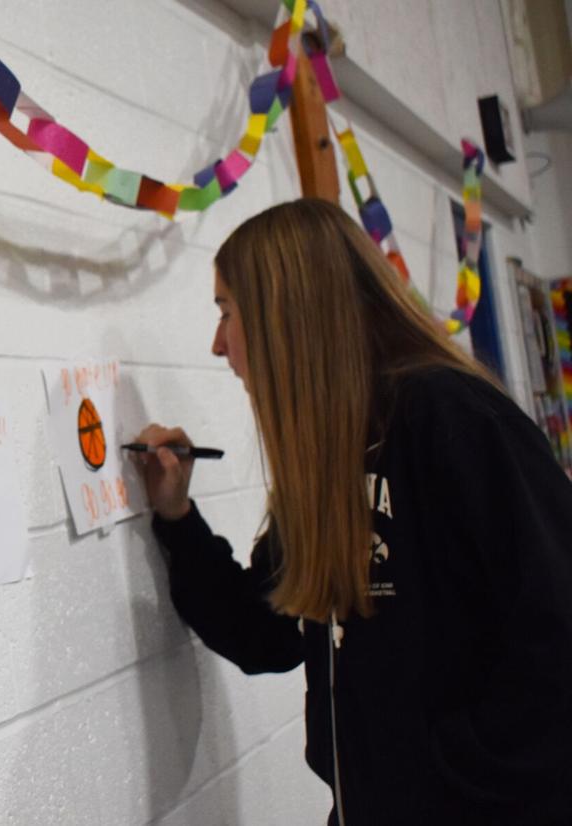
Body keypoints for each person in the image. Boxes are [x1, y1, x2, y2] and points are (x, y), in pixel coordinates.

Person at [134, 199, 572, 826]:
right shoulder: (328, 459)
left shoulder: (452, 419)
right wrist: (177, 518)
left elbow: (554, 647)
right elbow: (265, 631)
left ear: (286, 311)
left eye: (227, 312)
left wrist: (439, 779)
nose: (217, 343)